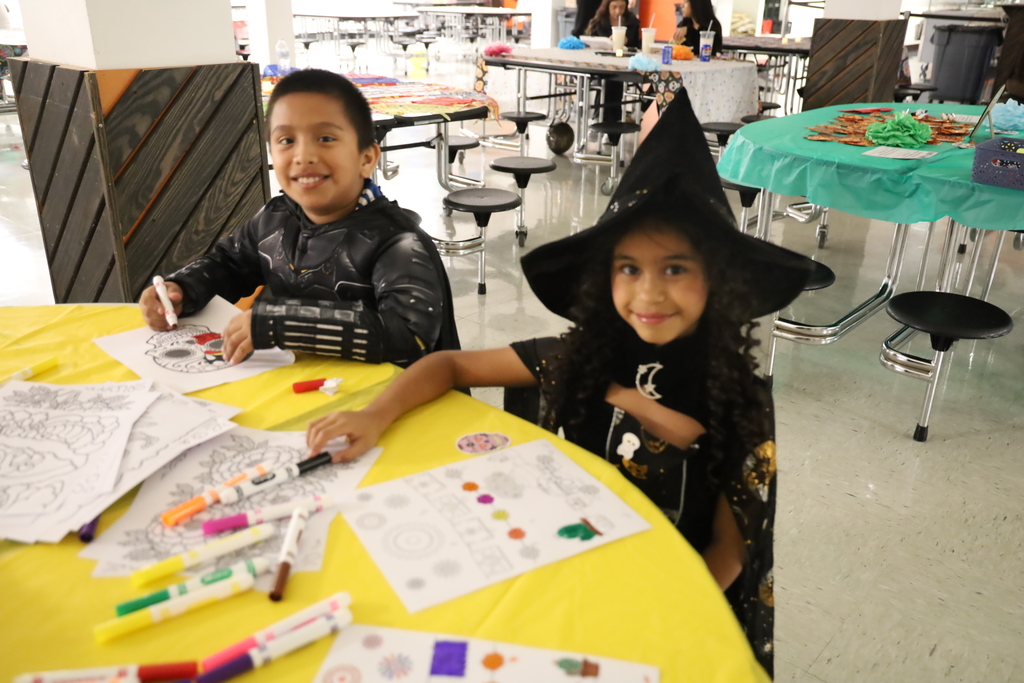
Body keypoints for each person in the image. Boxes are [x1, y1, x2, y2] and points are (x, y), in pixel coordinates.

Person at [305, 90, 812, 676]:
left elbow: (731, 548)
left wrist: (659, 605)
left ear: (717, 280)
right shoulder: (582, 361)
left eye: (676, 268)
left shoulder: (739, 402)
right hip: (573, 575)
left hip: (672, 604)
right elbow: (449, 366)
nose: (648, 293)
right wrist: (375, 415)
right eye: (629, 269)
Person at [138, 69, 460, 367]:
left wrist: (283, 322)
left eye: (326, 138)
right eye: (286, 140)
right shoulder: (275, 217)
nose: (303, 156)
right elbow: (229, 263)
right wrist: (181, 289)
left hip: (383, 408)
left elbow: (407, 336)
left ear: (366, 158)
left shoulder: (398, 243)